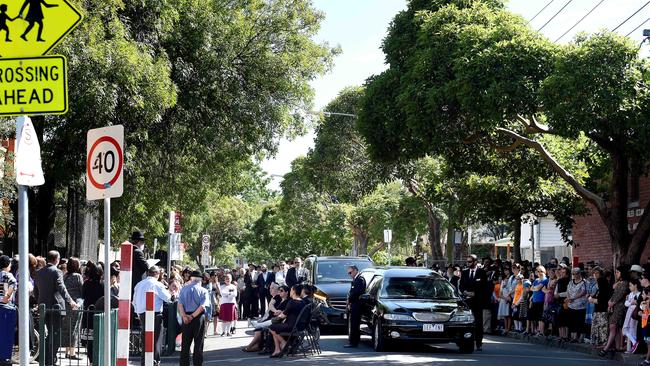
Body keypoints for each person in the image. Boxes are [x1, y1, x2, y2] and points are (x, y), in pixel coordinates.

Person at [33, 251, 78, 366]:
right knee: (55, 335)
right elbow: (61, 288)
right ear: (57, 260)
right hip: (56, 308)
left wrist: (39, 302)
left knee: (49, 334)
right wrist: (70, 301)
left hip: (44, 308)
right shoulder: (56, 271)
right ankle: (50, 360)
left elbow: (36, 291)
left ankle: (47, 359)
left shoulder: (39, 273)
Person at [133, 266, 172, 366]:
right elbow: (167, 298)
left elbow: (134, 301)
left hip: (142, 314)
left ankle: (144, 362)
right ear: (157, 274)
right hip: (155, 314)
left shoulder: (139, 284)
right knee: (156, 339)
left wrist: (138, 312)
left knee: (145, 339)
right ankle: (155, 361)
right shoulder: (157, 284)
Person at [178, 270, 210, 366]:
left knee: (185, 345)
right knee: (198, 344)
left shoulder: (184, 289)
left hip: (186, 317)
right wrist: (192, 316)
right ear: (200, 280)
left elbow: (180, 304)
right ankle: (197, 364)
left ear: (191, 279)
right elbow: (202, 307)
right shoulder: (203, 291)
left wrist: (184, 316)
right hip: (198, 317)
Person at [599, 265, 630, 358]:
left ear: (622, 273)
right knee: (615, 328)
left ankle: (606, 347)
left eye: (618, 272)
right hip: (614, 306)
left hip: (619, 307)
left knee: (613, 326)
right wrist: (610, 302)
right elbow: (613, 294)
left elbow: (619, 295)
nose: (616, 274)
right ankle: (617, 346)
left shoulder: (624, 283)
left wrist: (611, 302)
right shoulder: (619, 283)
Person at [268, 285, 307, 358]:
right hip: (300, 326)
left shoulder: (292, 302)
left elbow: (282, 316)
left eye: (291, 290)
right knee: (275, 327)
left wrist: (277, 316)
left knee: (271, 327)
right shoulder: (303, 302)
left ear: (294, 291)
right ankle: (277, 349)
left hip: (291, 326)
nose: (290, 292)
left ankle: (283, 343)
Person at [459, 254, 487, 351]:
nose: (468, 263)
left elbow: (485, 287)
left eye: (470, 261)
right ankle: (466, 340)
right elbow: (461, 285)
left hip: (477, 302)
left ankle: (479, 343)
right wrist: (465, 292)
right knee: (466, 322)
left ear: (475, 262)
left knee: (478, 323)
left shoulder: (482, 273)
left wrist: (475, 294)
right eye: (467, 261)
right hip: (467, 302)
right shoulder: (465, 272)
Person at [62, 258, 83, 360]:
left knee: (67, 328)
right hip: (76, 304)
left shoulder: (65, 276)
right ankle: (72, 353)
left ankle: (67, 351)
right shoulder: (78, 276)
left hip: (66, 304)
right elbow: (81, 289)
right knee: (74, 328)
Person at [0, 255, 17, 364]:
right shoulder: (8, 276)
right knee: (6, 336)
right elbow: (12, 286)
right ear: (7, 264)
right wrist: (6, 297)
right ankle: (5, 358)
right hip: (6, 309)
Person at [345, 265, 365, 348]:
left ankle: (354, 342)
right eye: (348, 273)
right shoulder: (355, 279)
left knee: (355, 324)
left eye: (350, 272)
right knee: (353, 323)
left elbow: (356, 293)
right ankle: (352, 341)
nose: (350, 274)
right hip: (354, 304)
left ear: (355, 270)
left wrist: (350, 300)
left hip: (357, 304)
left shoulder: (360, 279)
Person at [566, 267, 588, 342]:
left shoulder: (584, 282)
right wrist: (569, 298)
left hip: (581, 306)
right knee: (572, 321)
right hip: (571, 305)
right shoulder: (570, 282)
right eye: (573, 274)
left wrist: (573, 298)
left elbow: (584, 292)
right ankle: (573, 337)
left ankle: (581, 337)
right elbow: (568, 290)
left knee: (580, 322)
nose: (574, 275)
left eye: (575, 274)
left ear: (579, 273)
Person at [623, 278, 642, 353]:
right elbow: (626, 303)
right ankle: (634, 343)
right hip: (629, 312)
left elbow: (636, 303)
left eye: (631, 285)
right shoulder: (630, 294)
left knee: (632, 329)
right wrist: (631, 302)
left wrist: (631, 302)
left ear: (635, 285)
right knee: (625, 329)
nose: (629, 287)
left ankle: (632, 347)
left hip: (634, 313)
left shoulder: (639, 294)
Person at [530, 266, 549, 336]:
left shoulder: (545, 280)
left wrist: (535, 288)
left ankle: (541, 332)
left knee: (541, 316)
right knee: (536, 317)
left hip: (541, 300)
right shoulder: (536, 280)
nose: (539, 273)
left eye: (541, 271)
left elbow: (537, 288)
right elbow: (531, 288)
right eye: (538, 271)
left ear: (544, 272)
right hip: (535, 300)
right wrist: (535, 288)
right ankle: (537, 331)